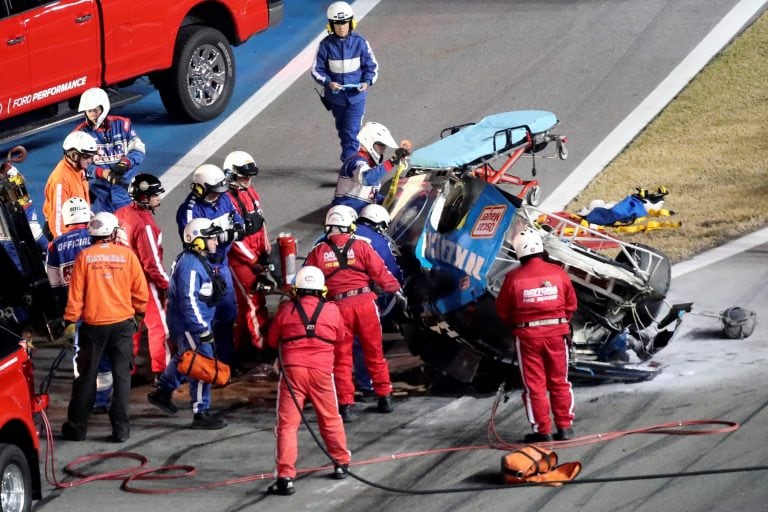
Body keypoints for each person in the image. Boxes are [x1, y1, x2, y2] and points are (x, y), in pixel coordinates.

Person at [304, 205, 404, 422]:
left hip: (337, 309)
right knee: (374, 353)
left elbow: (306, 285)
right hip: (366, 305)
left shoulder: (317, 252)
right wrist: (397, 291)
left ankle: (345, 405)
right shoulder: (361, 246)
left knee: (341, 358)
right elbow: (382, 273)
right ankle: (384, 396)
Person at [61, 212, 148, 443]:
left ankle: (77, 429)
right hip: (122, 326)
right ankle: (121, 431)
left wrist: (70, 322)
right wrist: (138, 315)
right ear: (112, 232)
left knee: (86, 379)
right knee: (122, 379)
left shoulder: (84, 257)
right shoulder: (127, 256)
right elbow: (141, 292)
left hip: (93, 327)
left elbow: (76, 294)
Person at [266, 266, 351, 496]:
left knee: (287, 426)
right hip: (322, 373)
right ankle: (341, 463)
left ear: (297, 290)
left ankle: (285, 477)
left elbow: (273, 340)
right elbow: (341, 337)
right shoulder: (332, 311)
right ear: (321, 289)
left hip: (292, 373)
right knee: (331, 419)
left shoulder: (286, 310)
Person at [495, 228, 578, 443]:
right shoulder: (559, 273)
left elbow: (503, 311)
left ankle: (543, 431)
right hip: (557, 335)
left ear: (518, 252)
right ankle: (565, 427)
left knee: (535, 386)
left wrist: (515, 328)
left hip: (528, 337)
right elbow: (571, 304)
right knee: (560, 381)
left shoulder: (513, 278)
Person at [147, 218, 228, 430]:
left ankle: (162, 391)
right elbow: (189, 301)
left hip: (189, 322)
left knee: (185, 357)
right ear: (198, 241)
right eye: (211, 238)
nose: (216, 241)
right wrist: (202, 329)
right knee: (202, 364)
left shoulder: (194, 260)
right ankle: (200, 412)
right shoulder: (191, 266)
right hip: (191, 324)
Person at [176, 164, 244, 366]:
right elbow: (192, 242)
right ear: (200, 189)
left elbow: (239, 225)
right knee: (204, 319)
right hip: (202, 269)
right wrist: (225, 235)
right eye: (214, 192)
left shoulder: (224, 199)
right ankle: (204, 364)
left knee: (228, 314)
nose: (218, 195)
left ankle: (225, 362)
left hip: (221, 265)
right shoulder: (189, 211)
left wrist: (226, 235)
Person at [115, 174, 170, 378]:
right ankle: (161, 372)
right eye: (155, 195)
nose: (159, 199)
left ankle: (127, 371)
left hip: (122, 280)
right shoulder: (145, 225)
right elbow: (152, 263)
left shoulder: (121, 213)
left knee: (130, 328)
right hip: (143, 283)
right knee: (159, 327)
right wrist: (166, 284)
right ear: (144, 198)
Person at [311, 1, 379, 162]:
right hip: (336, 99)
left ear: (351, 23)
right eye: (337, 24)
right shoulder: (325, 46)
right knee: (343, 131)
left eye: (344, 23)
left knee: (351, 132)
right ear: (331, 26)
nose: (341, 27)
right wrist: (328, 82)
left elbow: (372, 67)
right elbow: (316, 70)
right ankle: (354, 159)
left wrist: (367, 82)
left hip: (357, 98)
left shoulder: (360, 43)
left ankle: (350, 168)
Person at [223, 151, 272, 356]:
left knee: (248, 303)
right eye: (243, 176)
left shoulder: (250, 192)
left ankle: (241, 345)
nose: (248, 179)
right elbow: (234, 239)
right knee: (254, 301)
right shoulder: (226, 201)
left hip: (255, 256)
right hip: (240, 262)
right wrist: (252, 261)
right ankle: (261, 347)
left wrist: (266, 250)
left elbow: (261, 223)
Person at [75, 87, 146, 214]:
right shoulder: (80, 134)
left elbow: (138, 148)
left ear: (103, 108)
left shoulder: (123, 124)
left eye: (95, 110)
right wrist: (101, 173)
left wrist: (125, 163)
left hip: (127, 194)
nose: (92, 114)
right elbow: (77, 166)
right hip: (99, 199)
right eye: (88, 111)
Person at [332, 121, 410, 212]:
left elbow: (370, 196)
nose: (382, 151)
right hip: (344, 213)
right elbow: (367, 179)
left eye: (384, 147)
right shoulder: (355, 162)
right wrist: (392, 162)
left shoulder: (371, 167)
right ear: (369, 141)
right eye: (381, 146)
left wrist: (392, 200)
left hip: (361, 213)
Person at [43, 131, 98, 239]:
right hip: (65, 235)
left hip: (78, 228)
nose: (90, 161)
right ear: (74, 155)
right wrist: (66, 247)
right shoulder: (61, 181)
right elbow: (57, 222)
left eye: (92, 156)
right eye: (87, 156)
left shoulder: (79, 169)